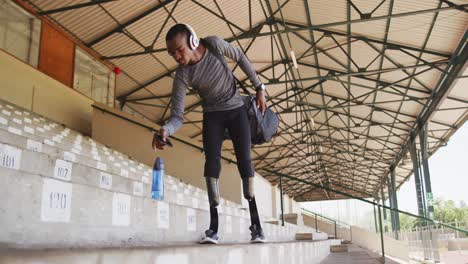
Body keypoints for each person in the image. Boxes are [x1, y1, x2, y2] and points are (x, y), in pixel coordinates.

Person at [152, 23, 267, 244]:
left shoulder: (214, 44)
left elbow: (240, 58)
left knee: (245, 162)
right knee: (211, 166)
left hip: (236, 110)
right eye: (171, 53)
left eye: (179, 49)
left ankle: (257, 227)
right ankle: (213, 229)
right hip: (213, 115)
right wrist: (165, 130)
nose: (176, 56)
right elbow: (177, 116)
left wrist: (259, 87)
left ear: (193, 42)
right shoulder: (182, 75)